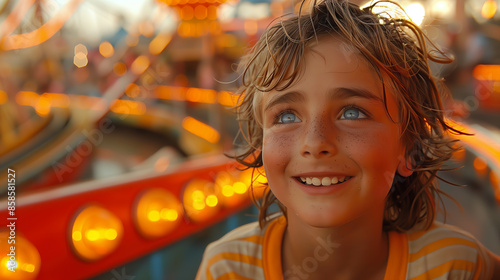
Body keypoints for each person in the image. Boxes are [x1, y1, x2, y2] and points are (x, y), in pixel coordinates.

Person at [196, 0, 500, 279]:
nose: (315, 142)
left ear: (409, 148)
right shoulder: (228, 269)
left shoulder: (457, 268)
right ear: (262, 147)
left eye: (352, 112)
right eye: (287, 116)